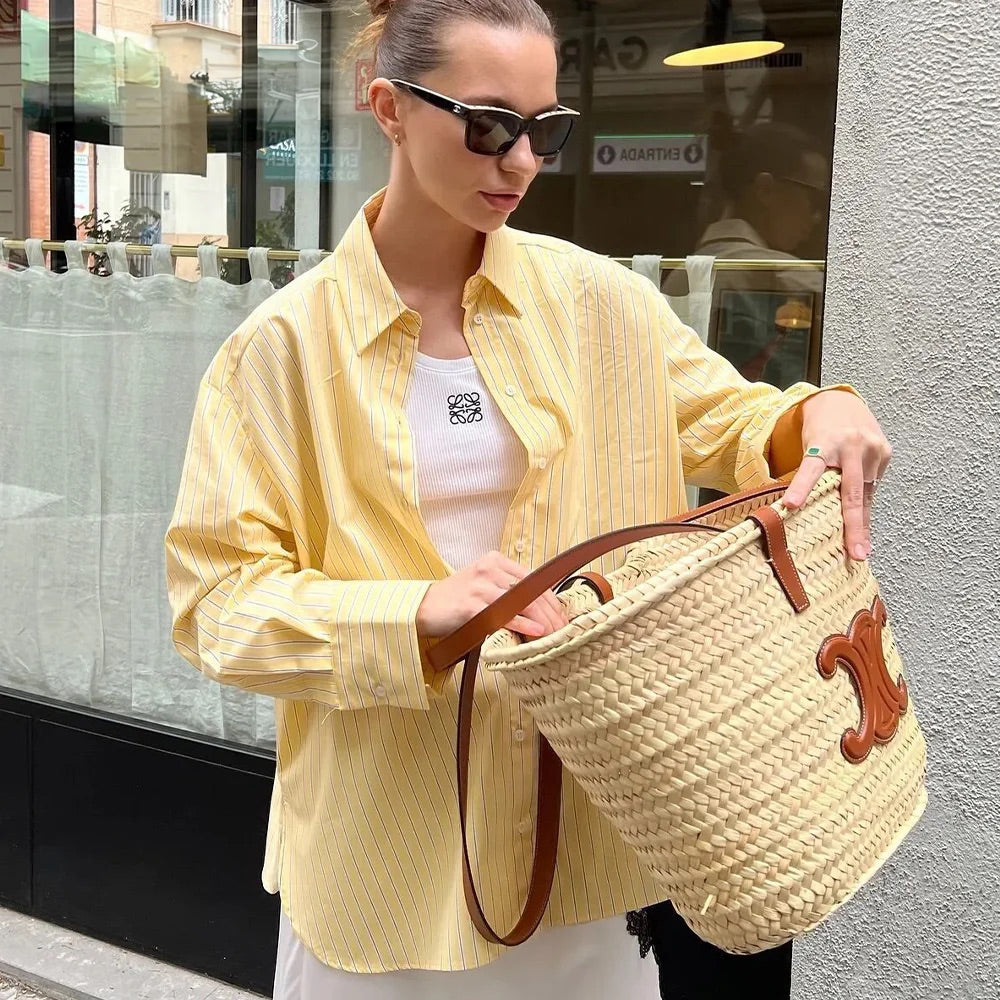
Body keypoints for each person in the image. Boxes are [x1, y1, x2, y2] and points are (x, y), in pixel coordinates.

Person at [164, 1, 892, 997]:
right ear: (389, 108)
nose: (520, 160)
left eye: (546, 130)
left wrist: (825, 413)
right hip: (386, 869)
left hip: (586, 843)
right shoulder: (282, 351)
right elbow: (216, 606)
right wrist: (415, 614)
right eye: (488, 123)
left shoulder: (603, 306)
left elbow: (739, 424)